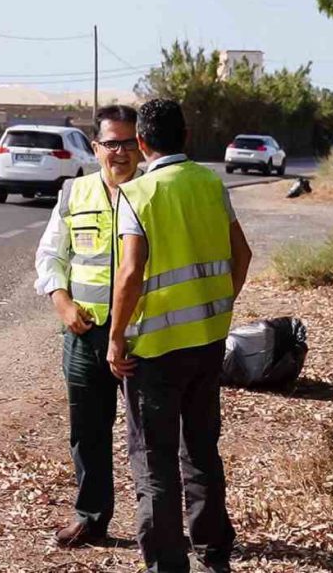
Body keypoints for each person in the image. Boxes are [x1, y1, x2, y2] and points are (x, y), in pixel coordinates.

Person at [108, 99, 253, 573]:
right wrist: (218, 306)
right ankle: (216, 556)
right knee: (202, 451)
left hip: (154, 353)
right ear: (186, 136)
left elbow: (130, 275)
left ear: (142, 143)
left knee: (154, 464)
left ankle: (168, 566)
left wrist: (116, 338)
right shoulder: (211, 183)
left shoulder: (139, 193)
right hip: (207, 343)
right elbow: (242, 255)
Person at [34, 104, 142, 547]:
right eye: (110, 142)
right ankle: (91, 517)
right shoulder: (73, 193)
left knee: (148, 437)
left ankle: (157, 528)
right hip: (84, 337)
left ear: (142, 145)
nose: (119, 152)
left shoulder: (156, 193)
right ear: (95, 147)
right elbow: (50, 257)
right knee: (88, 433)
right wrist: (62, 303)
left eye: (128, 142)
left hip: (143, 338)